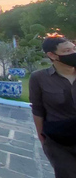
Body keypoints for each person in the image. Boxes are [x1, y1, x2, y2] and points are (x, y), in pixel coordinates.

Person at [29, 37, 76, 177]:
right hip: (59, 140)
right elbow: (37, 109)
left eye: (74, 49)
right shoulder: (39, 78)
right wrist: (41, 136)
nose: (73, 53)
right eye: (67, 51)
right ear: (52, 55)